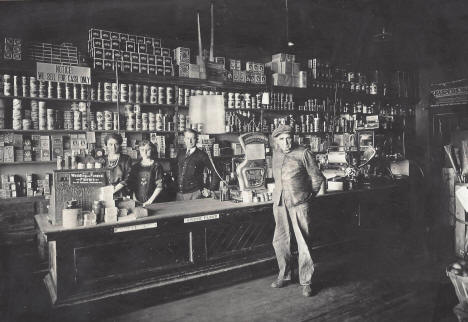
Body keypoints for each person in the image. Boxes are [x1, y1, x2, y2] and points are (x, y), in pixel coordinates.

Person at [270, 124, 325, 297]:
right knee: (280, 241)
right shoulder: (276, 155)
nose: (285, 142)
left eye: (288, 138)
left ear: (293, 138)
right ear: (276, 141)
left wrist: (309, 196)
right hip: (280, 203)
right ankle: (284, 275)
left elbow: (317, 177)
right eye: (281, 139)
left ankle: (306, 281)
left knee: (303, 242)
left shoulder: (304, 153)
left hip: (299, 203)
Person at [175, 129, 219, 200]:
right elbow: (175, 169)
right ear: (184, 139)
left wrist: (210, 189)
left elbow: (216, 171)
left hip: (194, 194)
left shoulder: (202, 155)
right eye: (188, 138)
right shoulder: (181, 153)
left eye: (192, 138)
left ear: (197, 140)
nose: (190, 141)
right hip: (179, 194)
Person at [127, 140, 164, 207]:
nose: (145, 152)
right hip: (137, 201)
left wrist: (149, 201)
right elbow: (132, 185)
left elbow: (160, 186)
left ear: (152, 150)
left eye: (148, 149)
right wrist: (135, 199)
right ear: (139, 151)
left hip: (153, 201)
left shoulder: (156, 166)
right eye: (142, 150)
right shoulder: (135, 166)